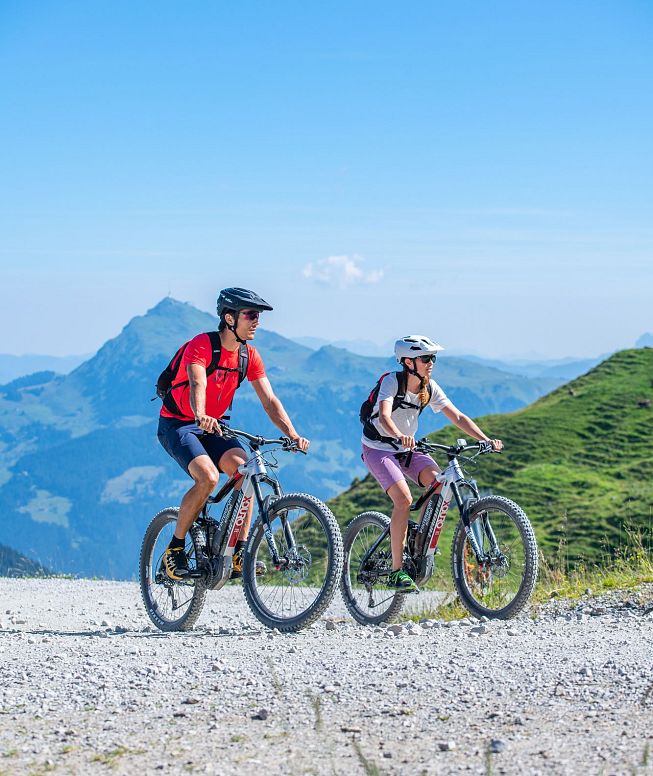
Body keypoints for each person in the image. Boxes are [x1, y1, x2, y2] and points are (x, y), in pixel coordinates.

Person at [157, 287, 309, 580]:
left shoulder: (249, 356)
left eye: (258, 316)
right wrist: (200, 413)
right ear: (229, 318)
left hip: (215, 426)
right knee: (208, 478)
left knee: (247, 472)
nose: (257, 322)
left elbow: (270, 401)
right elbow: (197, 382)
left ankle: (237, 550)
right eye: (251, 315)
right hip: (178, 423)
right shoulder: (202, 345)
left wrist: (292, 433)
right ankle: (173, 551)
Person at [361, 335, 502, 592]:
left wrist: (486, 439)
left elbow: (457, 416)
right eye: (425, 358)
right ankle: (396, 571)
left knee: (438, 482)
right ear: (407, 361)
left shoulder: (429, 388)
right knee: (403, 499)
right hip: (378, 449)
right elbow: (383, 414)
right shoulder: (392, 382)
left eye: (432, 358)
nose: (431, 363)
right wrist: (398, 435)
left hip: (408, 448)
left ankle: (418, 542)